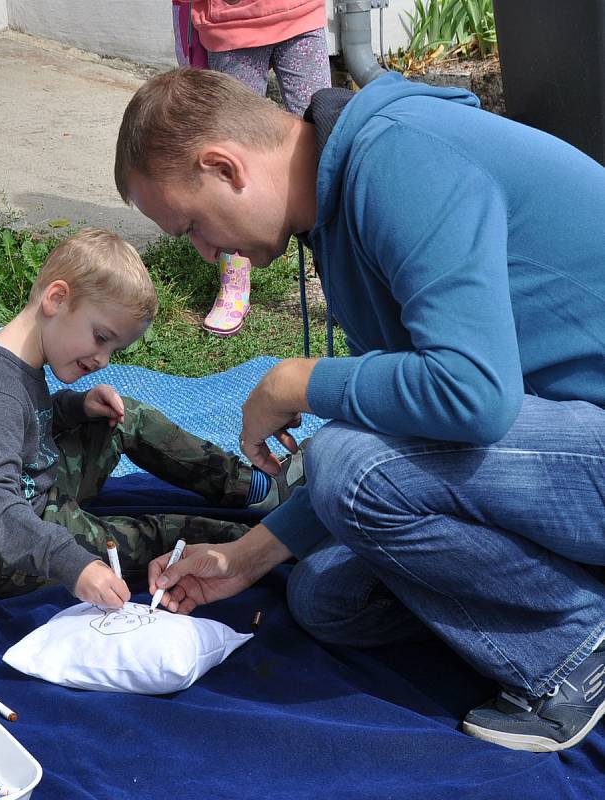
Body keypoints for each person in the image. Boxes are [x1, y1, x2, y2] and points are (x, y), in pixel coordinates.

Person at [114, 67, 605, 752]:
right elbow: (414, 426)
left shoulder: (400, 158)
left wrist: (295, 381)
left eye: (191, 224)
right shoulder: (338, 202)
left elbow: (473, 394)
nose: (203, 251)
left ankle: (577, 648)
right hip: (571, 442)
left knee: (347, 460)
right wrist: (248, 557)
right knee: (327, 597)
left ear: (224, 166)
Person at [0, 228, 306, 607]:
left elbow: (27, 423)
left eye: (114, 349)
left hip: (33, 494)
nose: (102, 361)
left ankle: (255, 489)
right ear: (56, 299)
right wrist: (74, 564)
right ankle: (281, 543)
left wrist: (75, 409)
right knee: (158, 536)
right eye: (101, 338)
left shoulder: (14, 354)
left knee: (123, 416)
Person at [171, 0, 330, 336]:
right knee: (229, 154)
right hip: (232, 23)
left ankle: (337, 271)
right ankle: (235, 280)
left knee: (324, 145)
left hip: (300, 12)